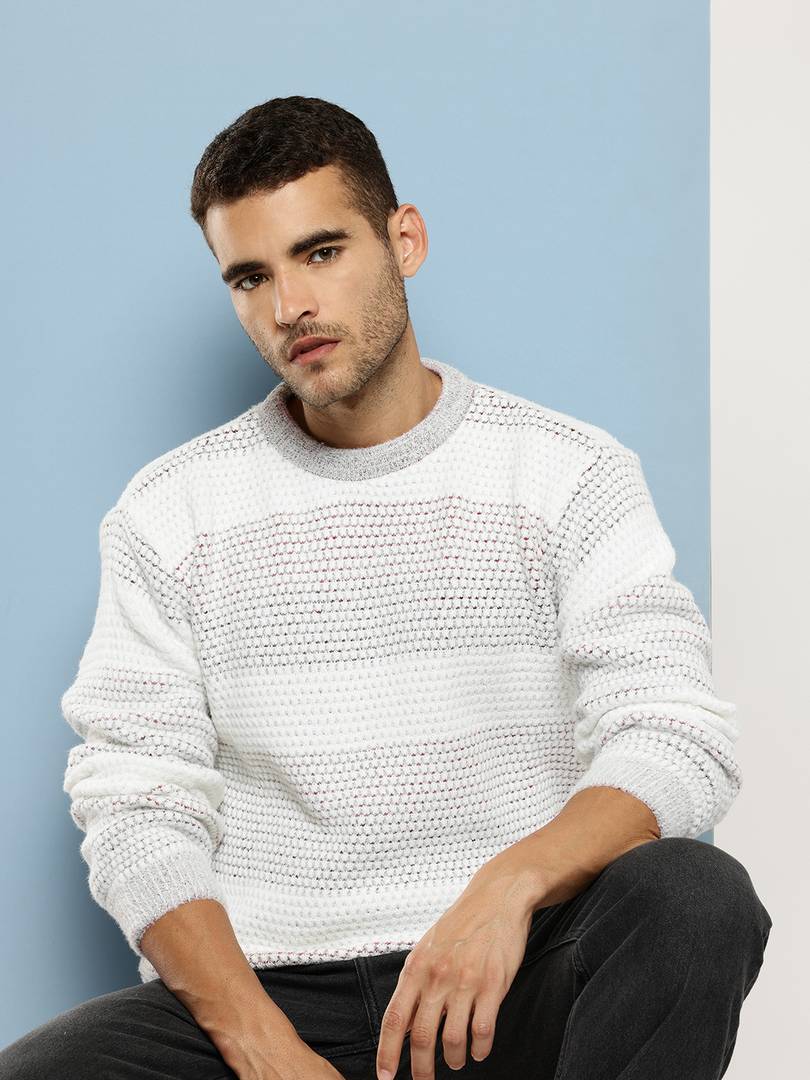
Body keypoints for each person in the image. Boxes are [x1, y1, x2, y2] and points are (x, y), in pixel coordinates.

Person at [0, 95, 771, 1080]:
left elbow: (675, 736)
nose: (289, 306)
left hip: (504, 976)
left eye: (320, 252)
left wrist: (507, 886)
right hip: (277, 996)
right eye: (250, 277)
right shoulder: (169, 511)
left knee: (693, 896)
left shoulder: (568, 473)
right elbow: (135, 805)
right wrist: (264, 1046)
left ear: (405, 240)